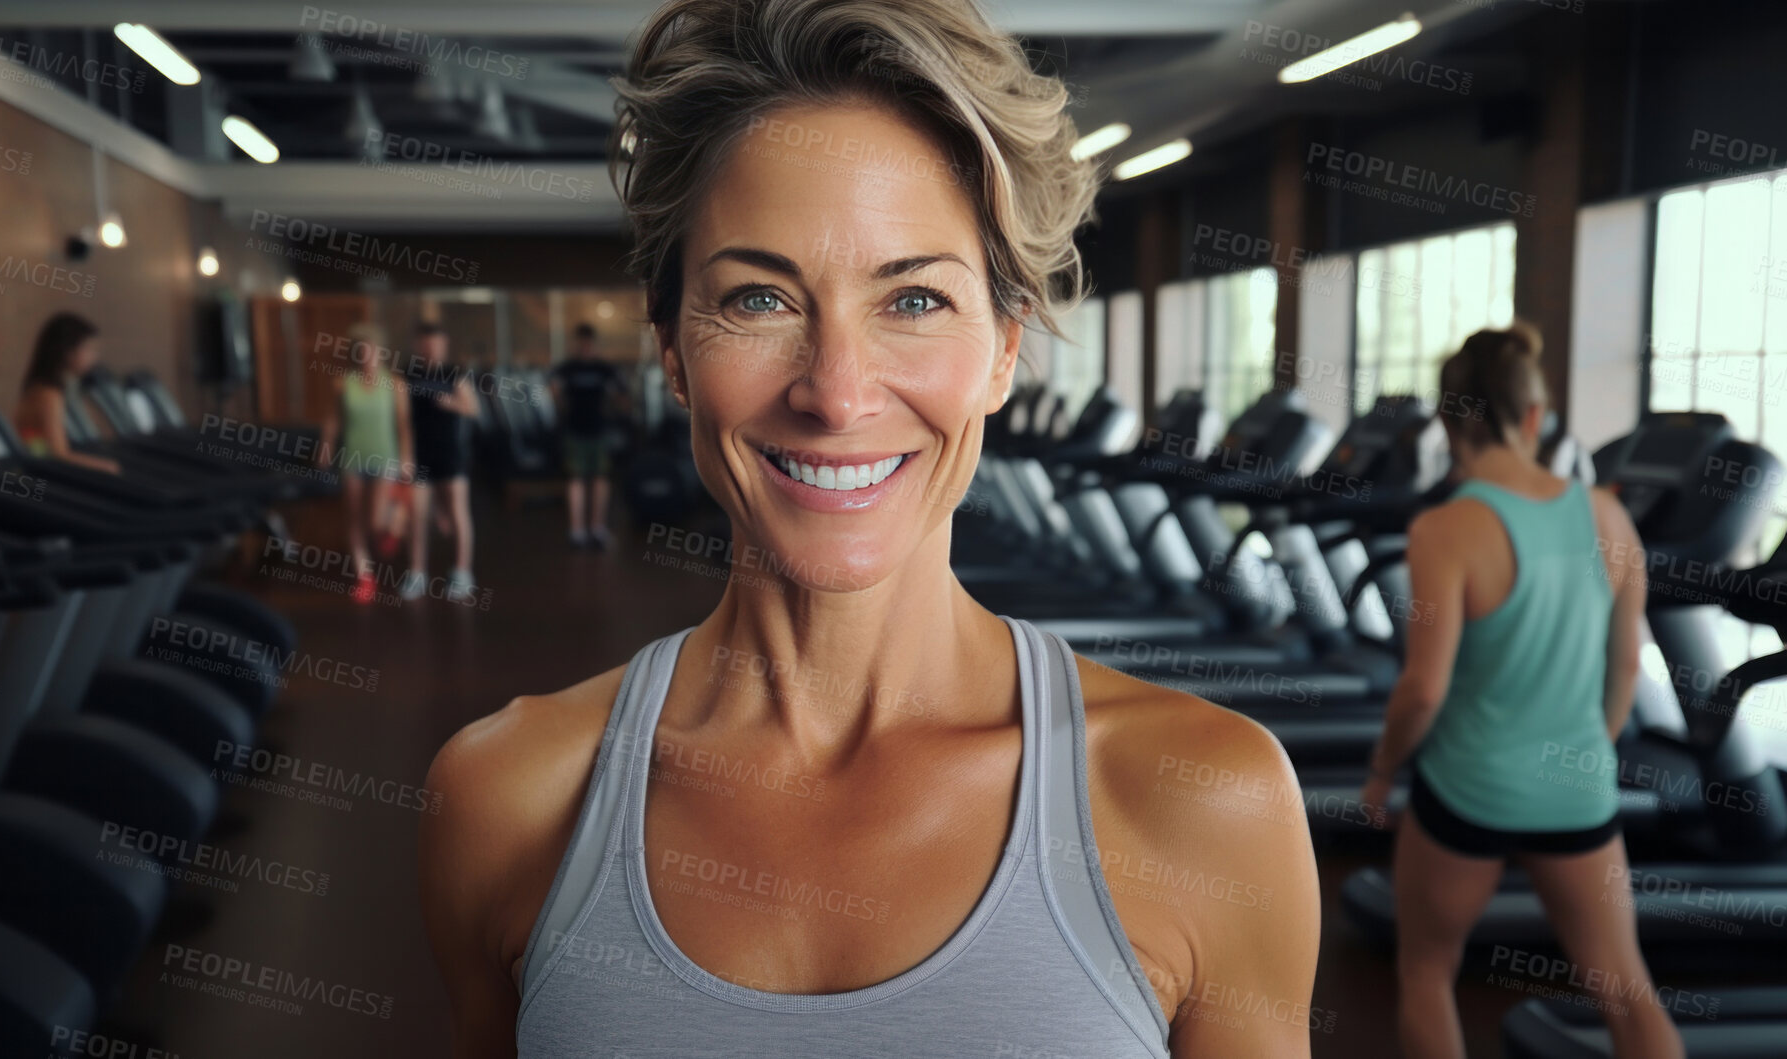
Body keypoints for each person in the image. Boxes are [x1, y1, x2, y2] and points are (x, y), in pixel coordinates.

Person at [418, 2, 1318, 1056]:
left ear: (1001, 350)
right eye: (757, 300)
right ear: (670, 350)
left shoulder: (1206, 802)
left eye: (915, 301)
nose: (836, 395)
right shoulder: (504, 796)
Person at [1358, 324, 1683, 1059]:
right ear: (1535, 416)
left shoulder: (1443, 529)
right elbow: (1625, 666)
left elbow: (1422, 688)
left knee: (1426, 971)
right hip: (1575, 794)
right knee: (1626, 991)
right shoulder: (1606, 516)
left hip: (1466, 793)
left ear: (1449, 422)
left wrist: (1380, 774)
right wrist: (1584, 754)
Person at [319, 322, 412, 605]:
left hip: (385, 457)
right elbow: (334, 420)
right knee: (355, 518)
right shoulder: (342, 382)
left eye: (371, 349)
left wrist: (407, 457)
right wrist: (326, 446)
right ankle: (364, 575)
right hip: (353, 457)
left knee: (375, 521)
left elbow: (403, 424)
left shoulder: (394, 383)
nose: (366, 354)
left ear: (380, 352)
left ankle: (397, 518)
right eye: (361, 350)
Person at [401, 321, 480, 603]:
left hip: (451, 453)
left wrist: (452, 403)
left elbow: (473, 409)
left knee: (457, 512)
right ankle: (417, 573)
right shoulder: (408, 374)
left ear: (444, 346)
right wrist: (405, 455)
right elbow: (401, 417)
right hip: (420, 454)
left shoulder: (454, 373)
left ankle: (462, 572)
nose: (430, 349)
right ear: (418, 346)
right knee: (417, 516)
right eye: (425, 344)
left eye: (435, 344)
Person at [549, 322, 627, 549]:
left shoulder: (605, 369)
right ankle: (576, 530)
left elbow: (622, 395)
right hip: (574, 429)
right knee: (575, 479)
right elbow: (554, 390)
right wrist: (561, 405)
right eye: (581, 343)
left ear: (593, 344)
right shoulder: (568, 368)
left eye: (588, 344)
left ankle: (597, 527)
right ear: (577, 344)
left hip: (599, 430)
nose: (585, 347)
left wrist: (616, 407)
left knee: (600, 478)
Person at [13, 313, 121, 475]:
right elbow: (58, 454)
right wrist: (107, 467)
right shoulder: (48, 395)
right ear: (67, 351)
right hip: (40, 475)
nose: (94, 358)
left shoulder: (48, 389)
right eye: (89, 349)